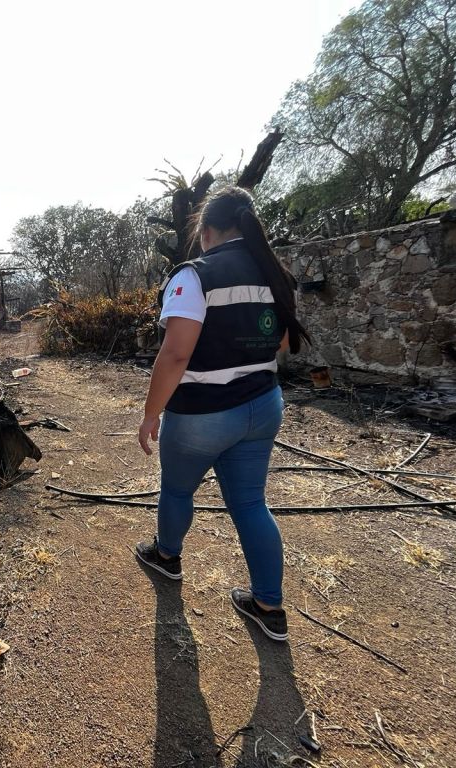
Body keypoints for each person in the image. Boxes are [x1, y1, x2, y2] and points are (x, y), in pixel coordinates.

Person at [135, 185, 310, 642]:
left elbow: (175, 354)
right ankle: (268, 605)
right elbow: (283, 342)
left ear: (206, 231)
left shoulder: (195, 276)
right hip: (263, 406)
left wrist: (151, 413)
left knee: (177, 489)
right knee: (251, 503)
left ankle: (166, 557)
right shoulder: (274, 272)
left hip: (202, 415)